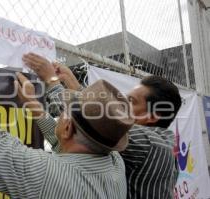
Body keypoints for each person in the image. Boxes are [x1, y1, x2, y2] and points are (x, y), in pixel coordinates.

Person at [0, 47, 134, 199]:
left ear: (68, 127)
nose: (60, 115)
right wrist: (33, 105)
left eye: (64, 112)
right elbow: (66, 143)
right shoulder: (115, 164)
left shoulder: (45, 174)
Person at [22, 53, 182, 199]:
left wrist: (52, 81)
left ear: (153, 116)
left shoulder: (143, 142)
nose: (120, 106)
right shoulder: (162, 140)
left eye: (131, 101)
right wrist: (71, 81)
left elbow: (84, 122)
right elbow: (88, 119)